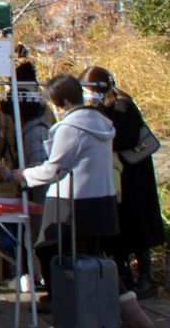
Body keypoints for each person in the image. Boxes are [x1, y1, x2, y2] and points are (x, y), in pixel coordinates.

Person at [14, 74, 119, 305]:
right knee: (91, 256)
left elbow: (54, 169)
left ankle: (65, 303)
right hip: (101, 198)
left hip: (71, 200)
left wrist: (24, 175)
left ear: (61, 101)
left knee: (49, 249)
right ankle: (96, 308)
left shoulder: (70, 127)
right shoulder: (101, 121)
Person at [81, 66, 164, 296]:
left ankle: (145, 278)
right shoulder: (113, 106)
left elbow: (124, 139)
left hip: (133, 178)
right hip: (123, 176)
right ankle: (126, 276)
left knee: (136, 228)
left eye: (89, 90)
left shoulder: (122, 106)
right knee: (124, 228)